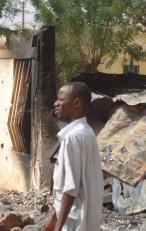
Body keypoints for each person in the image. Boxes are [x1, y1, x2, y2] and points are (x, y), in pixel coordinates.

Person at [43, 82, 104, 231]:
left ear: (76, 103)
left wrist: (58, 227)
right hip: (85, 220)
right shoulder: (86, 133)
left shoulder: (73, 138)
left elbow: (70, 189)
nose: (55, 103)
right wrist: (54, 217)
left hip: (75, 223)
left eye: (61, 99)